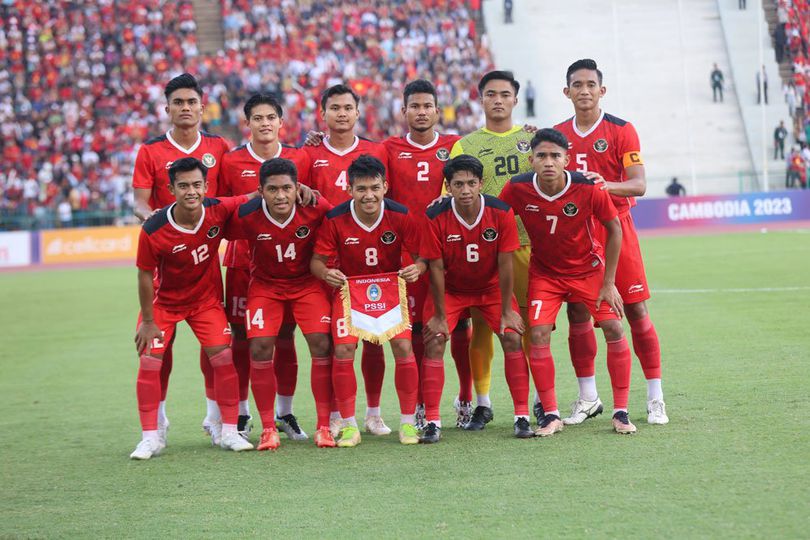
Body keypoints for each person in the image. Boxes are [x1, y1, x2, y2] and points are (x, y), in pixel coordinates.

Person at [554, 59, 668, 426]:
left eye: (591, 84)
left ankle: (655, 397)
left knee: (635, 310)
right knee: (577, 313)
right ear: (566, 91)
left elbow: (639, 184)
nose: (584, 90)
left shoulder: (622, 130)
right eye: (577, 84)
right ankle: (588, 397)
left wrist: (601, 185)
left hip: (615, 226)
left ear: (602, 91)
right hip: (576, 233)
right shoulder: (556, 135)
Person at [499, 129, 636, 436]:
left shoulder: (588, 188)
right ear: (531, 159)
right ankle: (550, 415)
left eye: (555, 156)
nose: (549, 162)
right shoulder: (517, 188)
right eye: (542, 156)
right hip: (545, 274)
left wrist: (609, 283)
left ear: (567, 159)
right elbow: (496, 217)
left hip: (588, 272)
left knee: (614, 327)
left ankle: (621, 411)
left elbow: (615, 230)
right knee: (539, 335)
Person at [131, 73, 232, 444]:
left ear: (202, 107)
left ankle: (215, 418)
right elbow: (141, 201)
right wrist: (158, 224)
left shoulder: (220, 147)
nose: (185, 108)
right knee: (160, 344)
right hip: (166, 260)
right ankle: (155, 424)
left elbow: (239, 192)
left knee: (215, 345)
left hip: (205, 262)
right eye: (178, 103)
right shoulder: (150, 152)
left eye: (191, 102)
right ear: (168, 109)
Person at [131, 157, 253, 459]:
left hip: (204, 302)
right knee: (150, 361)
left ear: (206, 186)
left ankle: (228, 432)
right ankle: (150, 437)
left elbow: (252, 196)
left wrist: (296, 187)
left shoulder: (217, 209)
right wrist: (147, 321)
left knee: (223, 357)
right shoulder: (153, 229)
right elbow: (144, 275)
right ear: (171, 189)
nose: (191, 191)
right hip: (164, 303)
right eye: (183, 186)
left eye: (197, 184)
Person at [219, 93, 315, 441]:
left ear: (280, 121)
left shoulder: (298, 157)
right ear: (248, 123)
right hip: (244, 262)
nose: (264, 123)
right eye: (257, 118)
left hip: (289, 262)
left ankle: (285, 413)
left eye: (270, 117)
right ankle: (243, 414)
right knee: (243, 337)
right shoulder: (230, 162)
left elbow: (311, 203)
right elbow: (219, 209)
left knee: (287, 336)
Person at [311, 155, 425, 447]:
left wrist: (418, 268)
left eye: (374, 187)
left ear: (385, 186)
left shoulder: (400, 214)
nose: (368, 195)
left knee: (402, 345)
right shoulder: (336, 218)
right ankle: (349, 425)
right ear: (350, 189)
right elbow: (316, 262)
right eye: (361, 189)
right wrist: (326, 273)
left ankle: (408, 423)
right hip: (350, 291)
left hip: (389, 288)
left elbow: (423, 256)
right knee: (345, 347)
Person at [420, 155, 534, 442]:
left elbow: (506, 262)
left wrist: (508, 309)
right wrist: (440, 314)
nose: (466, 190)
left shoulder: (500, 211)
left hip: (491, 288)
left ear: (481, 183)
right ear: (448, 187)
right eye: (458, 184)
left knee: (511, 335)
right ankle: (432, 421)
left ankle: (522, 416)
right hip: (451, 290)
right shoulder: (435, 216)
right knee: (434, 340)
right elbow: (434, 267)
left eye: (472, 183)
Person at [380, 80, 473, 429]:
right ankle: (420, 404)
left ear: (437, 110)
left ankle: (465, 398)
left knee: (459, 327)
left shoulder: (455, 145)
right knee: (418, 330)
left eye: (427, 106)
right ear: (403, 111)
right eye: (414, 106)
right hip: (406, 256)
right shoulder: (388, 148)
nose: (421, 112)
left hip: (450, 252)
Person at [226, 158, 335, 449]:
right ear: (260, 190)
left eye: (287, 188)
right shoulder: (247, 214)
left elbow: (340, 225)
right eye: (272, 189)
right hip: (265, 287)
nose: (281, 196)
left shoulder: (315, 207)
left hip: (306, 285)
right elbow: (214, 225)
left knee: (321, 343)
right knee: (260, 346)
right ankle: (266, 428)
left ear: (297, 187)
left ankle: (324, 426)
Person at [302, 84, 392, 437]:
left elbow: (389, 201)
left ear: (358, 112)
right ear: (323, 114)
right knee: (330, 343)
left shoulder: (376, 150)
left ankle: (373, 413)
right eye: (334, 108)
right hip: (325, 264)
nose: (341, 113)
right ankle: (337, 414)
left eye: (347, 107)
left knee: (374, 339)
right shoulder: (308, 155)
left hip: (368, 263)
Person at [448, 70, 535, 431]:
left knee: (530, 325)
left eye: (504, 94)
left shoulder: (534, 140)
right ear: (480, 99)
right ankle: (483, 403)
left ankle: (538, 402)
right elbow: (448, 196)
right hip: (481, 250)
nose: (497, 100)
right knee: (483, 325)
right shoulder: (464, 146)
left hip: (526, 244)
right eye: (490, 94)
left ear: (516, 99)